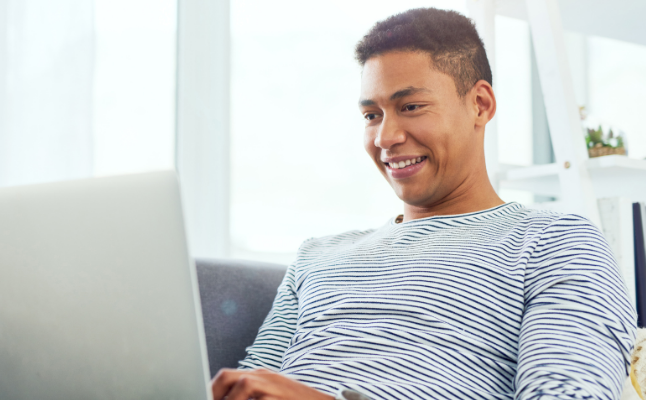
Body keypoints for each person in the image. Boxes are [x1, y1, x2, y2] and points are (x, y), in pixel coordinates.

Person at [210, 7, 637, 400]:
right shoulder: (316, 256)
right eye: (371, 115)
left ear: (480, 104)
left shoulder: (557, 244)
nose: (385, 137)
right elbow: (249, 383)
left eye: (411, 106)